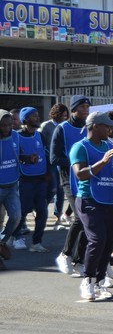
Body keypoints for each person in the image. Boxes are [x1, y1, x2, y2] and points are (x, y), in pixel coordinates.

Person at [70, 111, 113, 300]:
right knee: (97, 240)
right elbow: (80, 174)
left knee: (109, 242)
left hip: (110, 200)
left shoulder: (109, 146)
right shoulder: (80, 147)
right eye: (106, 126)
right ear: (94, 126)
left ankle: (100, 282)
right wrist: (102, 162)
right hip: (88, 200)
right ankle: (88, 281)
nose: (110, 129)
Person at [52, 95, 91, 276]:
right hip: (69, 178)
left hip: (87, 178)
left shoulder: (90, 128)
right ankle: (65, 254)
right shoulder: (62, 129)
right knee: (80, 217)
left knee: (87, 218)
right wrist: (76, 162)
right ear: (73, 109)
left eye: (87, 107)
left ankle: (79, 260)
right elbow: (54, 158)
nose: (85, 110)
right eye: (82, 107)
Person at [1, 109, 38, 270]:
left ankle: (1, 242)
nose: (8, 128)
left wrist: (27, 159)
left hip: (12, 185)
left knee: (16, 217)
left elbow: (17, 156)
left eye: (10, 124)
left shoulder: (15, 136)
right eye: (4, 125)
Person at [15, 108, 50, 252]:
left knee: (42, 212)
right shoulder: (16, 136)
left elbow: (46, 154)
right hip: (25, 180)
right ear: (25, 119)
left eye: (37, 115)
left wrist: (48, 172)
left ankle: (36, 242)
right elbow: (13, 156)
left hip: (41, 179)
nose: (37, 118)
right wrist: (26, 159)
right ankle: (16, 237)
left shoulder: (40, 136)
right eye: (33, 116)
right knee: (23, 211)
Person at [40, 103, 68, 229]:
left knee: (61, 189)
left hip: (61, 162)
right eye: (62, 115)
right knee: (52, 189)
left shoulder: (65, 126)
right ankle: (41, 210)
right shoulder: (46, 126)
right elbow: (40, 143)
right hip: (50, 162)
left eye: (66, 115)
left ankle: (58, 217)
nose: (64, 117)